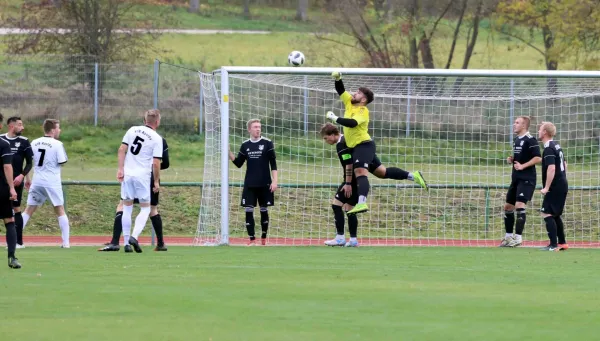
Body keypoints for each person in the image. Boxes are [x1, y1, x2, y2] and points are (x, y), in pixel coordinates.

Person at [326, 71, 428, 215]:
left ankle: (361, 203)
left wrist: (335, 118)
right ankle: (413, 175)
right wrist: (338, 79)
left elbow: (352, 123)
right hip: (357, 147)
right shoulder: (350, 102)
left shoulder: (363, 110)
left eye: (358, 93)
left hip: (364, 145)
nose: (354, 93)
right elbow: (341, 90)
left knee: (360, 171)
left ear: (364, 99)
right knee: (382, 172)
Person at [100, 135, 169, 252]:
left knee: (123, 205)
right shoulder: (159, 139)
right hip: (149, 176)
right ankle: (160, 243)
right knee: (152, 209)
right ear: (157, 122)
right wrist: (152, 169)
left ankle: (116, 242)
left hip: (131, 174)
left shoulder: (134, 133)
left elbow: (123, 150)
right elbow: (165, 163)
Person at [117, 109, 163, 253]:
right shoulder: (156, 138)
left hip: (128, 175)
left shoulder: (132, 130)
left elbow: (121, 149)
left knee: (127, 207)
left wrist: (120, 169)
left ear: (144, 120)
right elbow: (156, 163)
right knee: (145, 208)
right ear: (157, 122)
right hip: (142, 176)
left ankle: (125, 243)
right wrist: (156, 181)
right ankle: (134, 237)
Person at [21, 119, 70, 248]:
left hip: (37, 181)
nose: (59, 130)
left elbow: (28, 162)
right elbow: (62, 161)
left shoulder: (34, 142)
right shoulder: (57, 144)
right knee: (60, 210)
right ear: (53, 130)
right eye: (58, 128)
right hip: (52, 182)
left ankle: (17, 241)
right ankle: (66, 243)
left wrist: (28, 178)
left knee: (28, 210)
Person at [229, 119, 277, 246]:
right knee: (248, 210)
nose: (258, 129)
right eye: (255, 127)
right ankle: (252, 240)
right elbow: (238, 163)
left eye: (259, 127)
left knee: (263, 210)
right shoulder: (245, 145)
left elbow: (273, 164)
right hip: (250, 184)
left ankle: (263, 238)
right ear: (249, 129)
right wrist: (229, 152)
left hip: (265, 183)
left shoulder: (267, 143)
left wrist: (275, 181)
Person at [500, 116, 542, 247]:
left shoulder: (531, 139)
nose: (514, 124)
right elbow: (522, 157)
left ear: (524, 126)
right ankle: (508, 237)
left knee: (519, 205)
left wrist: (523, 166)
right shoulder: (517, 140)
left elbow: (538, 158)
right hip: (516, 179)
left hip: (527, 179)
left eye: (517, 123)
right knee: (508, 207)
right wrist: (512, 160)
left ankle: (518, 238)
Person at [0, 116, 33, 249]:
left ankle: (19, 242)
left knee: (16, 208)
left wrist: (23, 176)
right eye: (19, 124)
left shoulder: (24, 142)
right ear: (11, 126)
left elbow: (30, 163)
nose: (22, 127)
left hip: (16, 182)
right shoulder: (1, 139)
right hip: (2, 183)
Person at [538, 122, 569, 251]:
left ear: (545, 132)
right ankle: (562, 243)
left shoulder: (548, 148)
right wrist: (562, 178)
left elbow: (551, 168)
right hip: (562, 183)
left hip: (555, 185)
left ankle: (553, 245)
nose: (538, 131)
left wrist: (546, 187)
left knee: (546, 213)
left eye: (540, 129)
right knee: (555, 214)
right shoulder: (556, 145)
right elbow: (565, 164)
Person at [0, 113, 20, 268]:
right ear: (1, 126)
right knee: (9, 221)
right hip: (1, 189)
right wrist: (12, 188)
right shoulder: (3, 144)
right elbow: (7, 166)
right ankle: (12, 258)